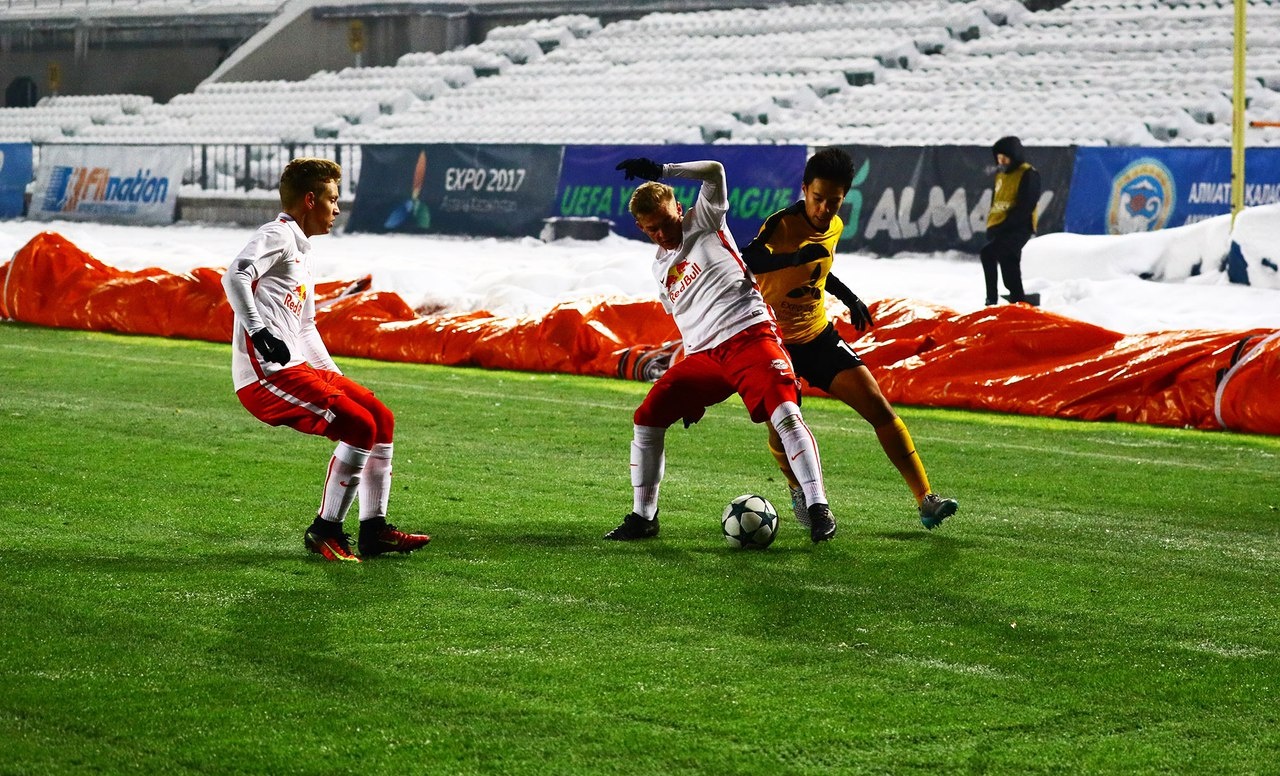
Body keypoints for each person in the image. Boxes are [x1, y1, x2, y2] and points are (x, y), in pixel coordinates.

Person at [606, 157, 837, 543]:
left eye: (666, 222)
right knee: (647, 417)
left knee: (785, 413)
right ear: (640, 228)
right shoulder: (661, 270)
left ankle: (818, 508)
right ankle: (644, 517)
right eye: (652, 229)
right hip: (703, 357)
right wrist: (689, 388)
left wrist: (663, 170)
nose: (662, 233)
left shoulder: (705, 220)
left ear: (680, 209)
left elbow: (714, 170)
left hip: (749, 336)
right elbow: (687, 324)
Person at [221, 157, 431, 563]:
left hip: (295, 367)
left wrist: (336, 379)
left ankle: (374, 530)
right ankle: (325, 530)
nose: (337, 209)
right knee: (358, 425)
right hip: (265, 376)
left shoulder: (303, 249)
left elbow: (305, 326)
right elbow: (235, 276)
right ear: (310, 200)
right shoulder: (278, 234)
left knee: (379, 416)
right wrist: (259, 332)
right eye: (332, 199)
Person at [741, 147, 958, 530]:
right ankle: (797, 488)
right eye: (818, 198)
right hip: (774, 343)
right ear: (804, 189)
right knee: (782, 428)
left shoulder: (835, 226)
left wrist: (849, 297)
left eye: (834, 201)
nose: (825, 208)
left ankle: (926, 499)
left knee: (879, 407)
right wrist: (793, 258)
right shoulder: (782, 224)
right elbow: (750, 259)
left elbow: (819, 270)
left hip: (818, 336)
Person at [981, 135, 1041, 307]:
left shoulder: (1028, 173)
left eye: (1005, 158)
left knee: (988, 254)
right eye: (999, 158)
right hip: (1002, 227)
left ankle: (991, 300)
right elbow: (997, 202)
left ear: (1014, 156)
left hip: (1020, 227)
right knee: (1009, 262)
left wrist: (1005, 226)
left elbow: (1026, 205)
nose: (1001, 162)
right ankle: (1018, 299)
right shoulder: (1001, 175)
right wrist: (992, 225)